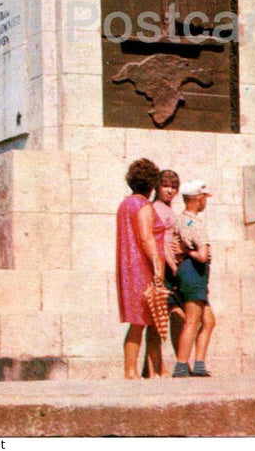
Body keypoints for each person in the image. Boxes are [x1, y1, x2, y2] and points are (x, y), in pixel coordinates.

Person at [116, 158, 166, 379]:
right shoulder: (143, 206)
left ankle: (132, 370)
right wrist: (157, 266)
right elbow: (146, 238)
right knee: (144, 321)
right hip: (141, 269)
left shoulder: (124, 205)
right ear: (152, 184)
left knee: (138, 323)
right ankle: (134, 371)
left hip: (127, 268)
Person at [172, 179, 216, 378]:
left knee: (208, 320)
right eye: (204, 197)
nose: (205, 202)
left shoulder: (181, 219)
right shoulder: (196, 223)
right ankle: (181, 364)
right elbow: (202, 255)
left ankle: (199, 363)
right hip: (194, 271)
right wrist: (189, 252)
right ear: (197, 199)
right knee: (193, 320)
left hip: (188, 272)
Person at [143, 170, 185, 375]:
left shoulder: (168, 209)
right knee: (158, 320)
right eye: (165, 186)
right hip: (163, 267)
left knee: (173, 316)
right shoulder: (156, 208)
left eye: (173, 187)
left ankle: (169, 365)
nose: (169, 190)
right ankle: (156, 368)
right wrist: (174, 267)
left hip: (171, 265)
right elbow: (161, 242)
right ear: (157, 187)